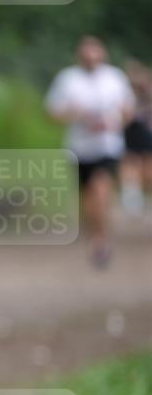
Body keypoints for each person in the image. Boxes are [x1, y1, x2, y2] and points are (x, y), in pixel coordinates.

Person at [45, 35, 135, 267]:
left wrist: (113, 122)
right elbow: (52, 112)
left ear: (102, 54)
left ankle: (101, 238)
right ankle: (96, 234)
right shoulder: (67, 79)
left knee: (101, 186)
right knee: (87, 195)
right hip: (79, 148)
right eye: (86, 56)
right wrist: (74, 115)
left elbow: (128, 110)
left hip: (108, 145)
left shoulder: (115, 77)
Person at [120, 59, 152, 214]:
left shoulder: (146, 91)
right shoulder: (125, 90)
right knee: (130, 162)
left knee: (146, 165)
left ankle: (142, 194)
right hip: (131, 130)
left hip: (145, 130)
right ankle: (133, 194)